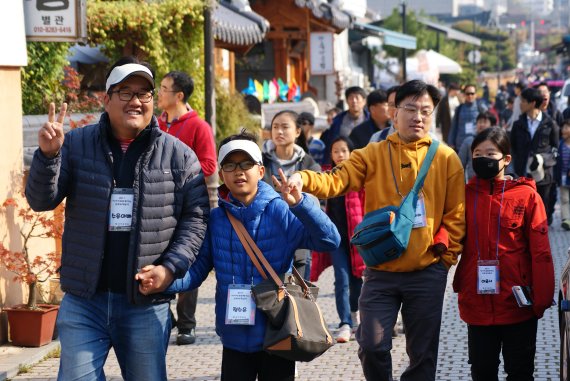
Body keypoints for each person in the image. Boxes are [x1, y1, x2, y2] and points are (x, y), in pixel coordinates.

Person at [25, 56, 210, 380]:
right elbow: (41, 200)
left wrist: (170, 269)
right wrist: (48, 156)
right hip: (85, 300)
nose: (136, 101)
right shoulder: (75, 145)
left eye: (145, 94)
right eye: (125, 92)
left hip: (144, 303)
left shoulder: (179, 155)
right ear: (106, 99)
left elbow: (195, 220)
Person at [285, 80, 466, 381]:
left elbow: (457, 216)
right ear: (394, 114)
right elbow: (337, 179)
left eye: (425, 111)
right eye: (410, 109)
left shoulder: (447, 159)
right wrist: (304, 180)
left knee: (423, 353)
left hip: (426, 271)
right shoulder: (374, 152)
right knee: (371, 343)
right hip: (381, 269)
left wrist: (444, 261)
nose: (417, 117)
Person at [142, 130, 340, 381]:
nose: (239, 171)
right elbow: (198, 269)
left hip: (277, 331)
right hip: (234, 336)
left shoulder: (281, 210)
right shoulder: (216, 219)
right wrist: (165, 280)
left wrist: (300, 205)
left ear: (260, 170)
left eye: (246, 164)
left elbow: (330, 240)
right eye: (230, 165)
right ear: (222, 174)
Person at [453, 127, 554, 381]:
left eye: (490, 153)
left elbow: (541, 252)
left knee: (520, 372)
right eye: (477, 154)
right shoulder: (463, 196)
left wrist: (541, 298)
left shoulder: (527, 196)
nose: (482, 159)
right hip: (476, 301)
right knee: (482, 371)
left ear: (506, 159)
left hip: (517, 302)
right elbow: (450, 234)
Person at [157, 70, 218, 346]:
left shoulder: (199, 127)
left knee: (186, 259)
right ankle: (164, 316)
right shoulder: (155, 124)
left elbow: (209, 165)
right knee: (157, 257)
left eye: (164, 88)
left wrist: (174, 170)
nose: (159, 93)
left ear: (179, 96)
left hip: (188, 205)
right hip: (157, 204)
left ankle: (186, 324)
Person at [262, 110, 321, 280]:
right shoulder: (259, 162)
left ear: (297, 132)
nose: (279, 132)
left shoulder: (309, 164)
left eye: (285, 127)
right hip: (267, 238)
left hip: (300, 239)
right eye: (275, 127)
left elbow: (319, 200)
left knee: (299, 295)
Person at [322, 136, 365, 343]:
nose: (340, 155)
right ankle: (345, 322)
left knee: (357, 278)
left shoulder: (359, 177)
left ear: (351, 153)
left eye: (343, 151)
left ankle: (356, 315)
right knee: (341, 278)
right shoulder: (325, 177)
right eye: (335, 151)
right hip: (336, 239)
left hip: (357, 238)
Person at [511, 87, 559, 226]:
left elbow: (555, 150)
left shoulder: (550, 124)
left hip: (543, 175)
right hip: (522, 175)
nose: (520, 104)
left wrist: (542, 160)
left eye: (523, 101)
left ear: (532, 103)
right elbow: (513, 148)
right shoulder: (517, 125)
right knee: (524, 207)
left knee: (542, 207)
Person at [320, 86, 369, 165]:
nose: (354, 101)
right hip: (342, 163)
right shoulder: (337, 120)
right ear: (347, 101)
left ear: (364, 101)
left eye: (357, 98)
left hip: (365, 162)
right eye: (351, 98)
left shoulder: (370, 121)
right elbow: (330, 142)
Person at [458, 111, 497, 181]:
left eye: (484, 122)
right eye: (479, 122)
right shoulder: (469, 141)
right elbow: (459, 165)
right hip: (473, 183)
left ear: (492, 125)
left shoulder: (497, 142)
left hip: (493, 183)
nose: (481, 125)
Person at [448, 84, 487, 151]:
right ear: (464, 95)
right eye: (467, 93)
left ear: (476, 94)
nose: (470, 96)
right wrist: (451, 143)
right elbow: (454, 127)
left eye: (472, 93)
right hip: (460, 145)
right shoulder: (459, 109)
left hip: (477, 144)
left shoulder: (481, 108)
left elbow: (487, 126)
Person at [556, 119, 570, 230]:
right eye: (563, 127)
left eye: (566, 127)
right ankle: (566, 219)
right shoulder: (560, 144)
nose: (563, 130)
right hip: (563, 176)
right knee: (564, 199)